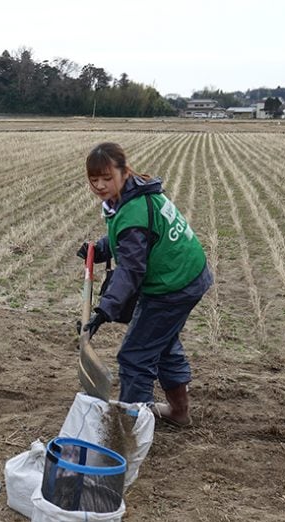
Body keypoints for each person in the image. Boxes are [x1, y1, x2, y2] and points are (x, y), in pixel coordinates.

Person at [79, 142, 212, 426]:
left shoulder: (134, 210)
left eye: (106, 177)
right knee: (161, 343)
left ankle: (129, 431)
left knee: (135, 357)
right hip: (187, 274)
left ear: (124, 172)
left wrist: (104, 310)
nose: (100, 185)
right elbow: (134, 242)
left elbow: (131, 269)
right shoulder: (133, 193)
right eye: (94, 179)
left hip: (173, 285)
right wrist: (102, 248)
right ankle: (178, 412)